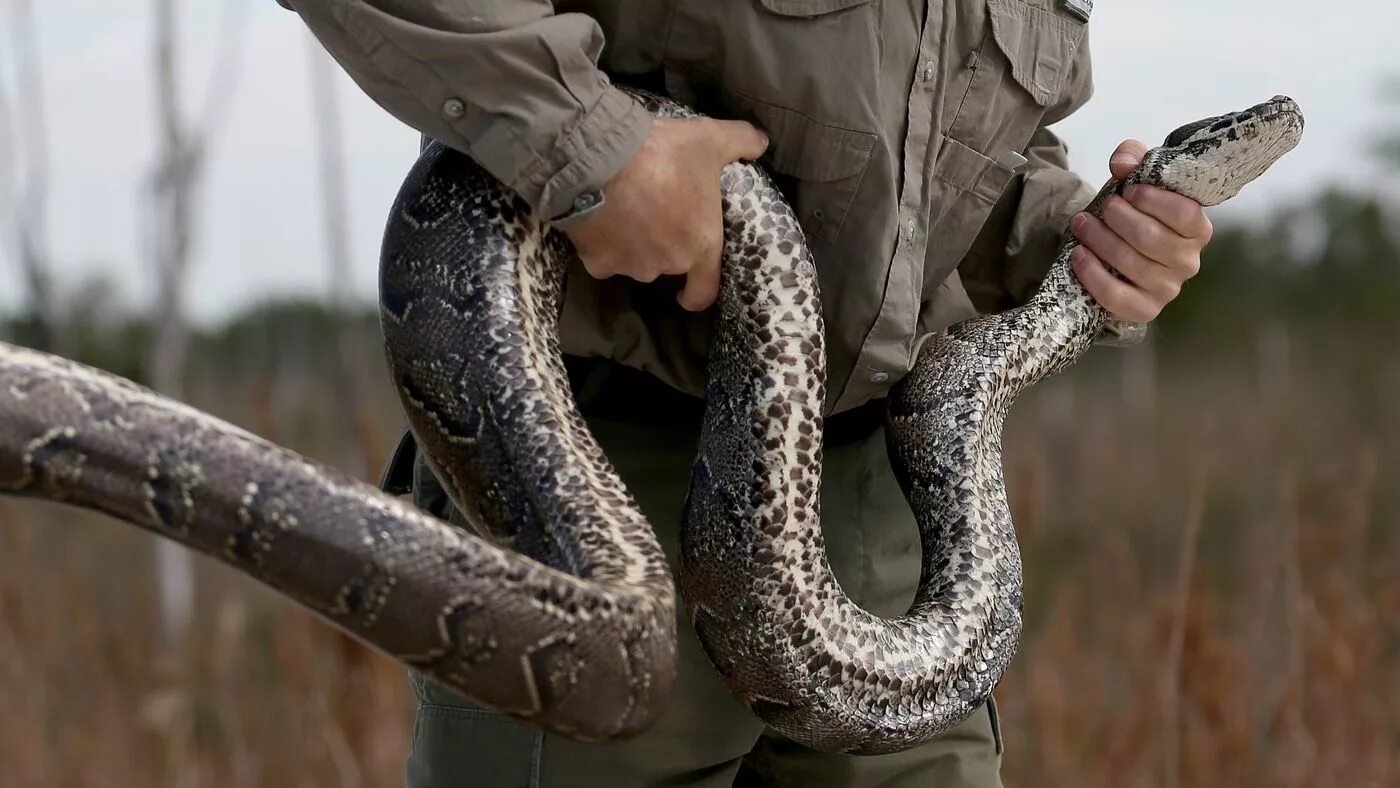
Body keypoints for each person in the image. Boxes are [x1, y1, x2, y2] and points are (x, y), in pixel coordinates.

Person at [283, 1, 1215, 785]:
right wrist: (593, 149)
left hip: (875, 497)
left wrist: (1084, 246)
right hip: (592, 464)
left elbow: (955, 153)